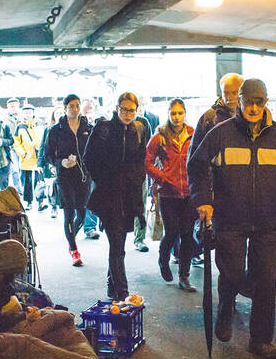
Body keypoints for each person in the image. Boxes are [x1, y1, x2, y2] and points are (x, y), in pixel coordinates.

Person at [187, 78, 276, 359]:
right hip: (229, 220)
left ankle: (260, 340)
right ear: (240, 102)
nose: (254, 108)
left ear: (265, 102)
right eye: (248, 102)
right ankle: (225, 306)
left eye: (260, 102)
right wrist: (204, 201)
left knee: (266, 281)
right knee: (231, 273)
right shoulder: (221, 134)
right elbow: (198, 167)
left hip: (268, 222)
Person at [83, 92, 146, 301]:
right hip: (108, 196)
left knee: (119, 245)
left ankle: (112, 284)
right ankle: (122, 292)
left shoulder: (139, 129)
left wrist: (136, 184)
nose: (127, 114)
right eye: (124, 109)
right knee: (117, 244)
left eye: (131, 110)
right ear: (117, 108)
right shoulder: (103, 128)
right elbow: (89, 159)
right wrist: (105, 178)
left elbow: (141, 161)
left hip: (129, 197)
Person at [188, 73, 246, 268]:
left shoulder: (251, 117)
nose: (229, 98)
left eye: (234, 93)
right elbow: (195, 160)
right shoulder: (209, 119)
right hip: (220, 195)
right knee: (226, 250)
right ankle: (227, 295)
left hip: (245, 197)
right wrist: (203, 197)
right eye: (226, 93)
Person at [145, 99, 196, 292]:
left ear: (185, 113)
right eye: (173, 113)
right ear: (168, 114)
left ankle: (184, 276)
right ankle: (163, 259)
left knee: (188, 236)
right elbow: (147, 162)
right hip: (168, 193)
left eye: (180, 113)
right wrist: (162, 177)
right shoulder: (160, 136)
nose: (176, 117)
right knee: (172, 232)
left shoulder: (193, 134)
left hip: (189, 193)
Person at [46, 95, 93, 266]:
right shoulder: (56, 130)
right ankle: (74, 250)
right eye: (71, 106)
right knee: (69, 213)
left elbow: (95, 151)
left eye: (77, 105)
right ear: (65, 108)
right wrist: (61, 162)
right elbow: (48, 154)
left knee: (82, 213)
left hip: (83, 176)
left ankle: (71, 236)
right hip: (64, 177)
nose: (75, 109)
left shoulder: (88, 127)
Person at [14, 103, 42, 210]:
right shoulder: (20, 126)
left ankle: (40, 201)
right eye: (26, 112)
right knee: (27, 181)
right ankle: (28, 201)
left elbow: (44, 138)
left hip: (38, 156)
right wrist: (23, 153)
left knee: (40, 181)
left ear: (33, 112)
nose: (28, 114)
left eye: (30, 112)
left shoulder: (40, 124)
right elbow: (16, 142)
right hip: (26, 157)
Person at [81, 98, 101, 240]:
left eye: (91, 108)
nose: (89, 111)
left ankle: (90, 226)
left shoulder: (97, 124)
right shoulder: (78, 124)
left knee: (93, 196)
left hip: (95, 168)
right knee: (83, 198)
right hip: (79, 168)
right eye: (86, 108)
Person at [38, 106, 63, 218]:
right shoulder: (48, 129)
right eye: (57, 113)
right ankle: (53, 207)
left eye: (61, 112)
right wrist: (40, 163)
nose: (59, 115)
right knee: (52, 186)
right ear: (53, 115)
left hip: (63, 161)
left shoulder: (68, 128)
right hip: (51, 161)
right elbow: (42, 146)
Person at [132, 113, 152, 252]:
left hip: (139, 173)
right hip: (120, 175)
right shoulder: (115, 125)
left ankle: (139, 238)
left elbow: (149, 149)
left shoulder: (143, 122)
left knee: (141, 205)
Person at [5, 97, 24, 194]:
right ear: (7, 107)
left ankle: (24, 189)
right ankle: (18, 191)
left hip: (24, 147)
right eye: (11, 106)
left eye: (14, 105)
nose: (13, 107)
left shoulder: (23, 117)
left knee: (24, 170)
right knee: (15, 170)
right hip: (11, 148)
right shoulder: (4, 119)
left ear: (18, 106)